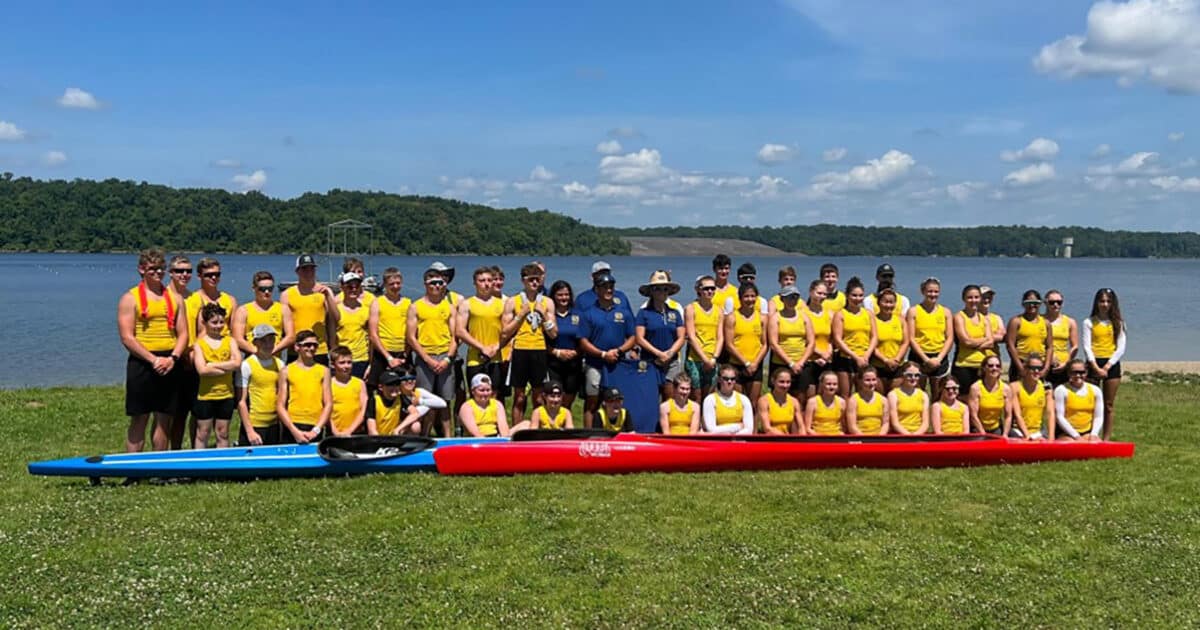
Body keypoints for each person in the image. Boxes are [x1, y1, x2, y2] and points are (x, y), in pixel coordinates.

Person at [118, 248, 189, 452]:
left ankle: (159, 468)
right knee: (139, 418)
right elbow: (127, 337)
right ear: (142, 270)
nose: (157, 273)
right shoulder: (130, 298)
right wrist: (152, 359)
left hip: (169, 361)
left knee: (164, 419)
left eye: (160, 269)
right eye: (152, 269)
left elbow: (183, 333)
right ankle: (133, 470)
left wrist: (173, 358)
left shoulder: (175, 299)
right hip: (143, 361)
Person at [502, 263, 556, 428]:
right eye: (530, 279)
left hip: (539, 350)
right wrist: (520, 316)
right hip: (520, 350)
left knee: (539, 396)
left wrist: (544, 316)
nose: (534, 283)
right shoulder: (513, 301)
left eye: (537, 279)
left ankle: (537, 428)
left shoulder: (547, 302)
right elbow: (505, 332)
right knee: (519, 396)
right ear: (523, 281)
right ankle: (516, 430)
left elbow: (554, 333)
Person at [578, 272, 636, 428]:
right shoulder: (588, 313)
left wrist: (619, 350)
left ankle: (620, 431)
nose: (609, 290)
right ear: (596, 289)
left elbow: (633, 337)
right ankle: (589, 435)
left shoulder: (623, 312)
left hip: (617, 363)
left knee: (617, 400)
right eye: (604, 287)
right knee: (592, 401)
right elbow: (583, 341)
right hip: (595, 364)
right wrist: (602, 354)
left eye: (611, 287)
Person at [407, 265, 459, 437]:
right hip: (424, 358)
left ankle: (447, 436)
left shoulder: (450, 307)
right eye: (433, 283)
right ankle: (425, 435)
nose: (437, 286)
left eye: (440, 283)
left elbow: (455, 337)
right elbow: (411, 338)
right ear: (425, 285)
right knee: (425, 401)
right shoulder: (416, 307)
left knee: (445, 401)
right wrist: (427, 359)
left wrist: (448, 359)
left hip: (445, 357)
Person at [192, 303, 241, 449]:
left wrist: (212, 365)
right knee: (203, 432)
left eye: (221, 322)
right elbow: (202, 370)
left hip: (226, 395)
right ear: (205, 323)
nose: (218, 326)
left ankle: (223, 466)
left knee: (223, 433)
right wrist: (227, 367)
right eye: (214, 322)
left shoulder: (230, 341)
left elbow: (237, 363)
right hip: (206, 396)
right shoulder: (199, 344)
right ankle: (199, 466)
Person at [635, 270, 687, 400]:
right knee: (649, 399)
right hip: (650, 361)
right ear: (651, 291)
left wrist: (669, 353)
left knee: (670, 398)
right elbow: (639, 338)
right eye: (658, 289)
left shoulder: (675, 313)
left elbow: (681, 337)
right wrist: (658, 354)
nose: (662, 292)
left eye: (665, 289)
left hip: (671, 362)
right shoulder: (644, 313)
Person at [1082, 288, 1125, 441]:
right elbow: (1087, 346)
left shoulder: (1118, 323)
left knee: (1108, 405)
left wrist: (1107, 366)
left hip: (1111, 364)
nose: (1105, 304)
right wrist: (1095, 367)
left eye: (1108, 301)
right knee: (1090, 403)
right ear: (1097, 303)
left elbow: (1121, 347)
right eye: (1102, 301)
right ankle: (1090, 435)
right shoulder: (1089, 322)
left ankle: (1106, 439)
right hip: (1094, 363)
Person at [458, 266, 505, 401]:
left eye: (489, 280)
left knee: (494, 395)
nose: (486, 284)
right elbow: (460, 331)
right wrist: (481, 347)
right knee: (476, 396)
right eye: (482, 280)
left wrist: (497, 346)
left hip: (496, 357)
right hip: (475, 357)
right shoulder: (467, 304)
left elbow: (508, 331)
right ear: (475, 283)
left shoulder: (502, 304)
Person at [281, 254, 338, 363]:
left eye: (311, 269)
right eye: (304, 269)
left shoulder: (325, 291)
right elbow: (284, 324)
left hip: (319, 350)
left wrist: (328, 297)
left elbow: (335, 318)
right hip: (296, 350)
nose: (308, 272)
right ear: (297, 271)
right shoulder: (287, 294)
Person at [276, 330, 331, 443]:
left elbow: (328, 403)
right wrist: (294, 430)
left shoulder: (324, 371)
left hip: (315, 424)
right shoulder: (286, 371)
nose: (311, 348)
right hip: (293, 424)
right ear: (297, 347)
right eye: (307, 345)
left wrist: (316, 430)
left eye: (315, 345)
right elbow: (280, 405)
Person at [236, 324, 285, 445]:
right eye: (263, 341)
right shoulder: (246, 365)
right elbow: (241, 402)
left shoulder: (280, 364)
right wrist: (249, 431)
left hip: (274, 425)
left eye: (271, 340)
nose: (268, 344)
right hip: (255, 425)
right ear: (255, 342)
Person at [166, 255, 196, 449]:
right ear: (171, 273)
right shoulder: (164, 296)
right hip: (173, 359)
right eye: (179, 271)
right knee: (169, 413)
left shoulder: (193, 297)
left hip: (194, 361)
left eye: (188, 271)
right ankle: (166, 453)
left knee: (188, 412)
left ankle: (186, 452)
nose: (184, 275)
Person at [906, 277, 954, 399]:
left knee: (938, 394)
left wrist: (939, 358)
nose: (933, 294)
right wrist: (926, 360)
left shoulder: (946, 312)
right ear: (923, 291)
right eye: (930, 291)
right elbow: (911, 338)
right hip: (919, 356)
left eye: (936, 291)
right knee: (917, 394)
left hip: (939, 357)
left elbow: (949, 338)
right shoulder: (913, 311)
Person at [767, 284, 815, 402]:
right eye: (789, 297)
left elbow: (811, 342)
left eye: (795, 297)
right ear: (782, 299)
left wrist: (801, 362)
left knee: (801, 399)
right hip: (781, 363)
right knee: (779, 398)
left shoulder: (804, 317)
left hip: (802, 363)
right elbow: (773, 344)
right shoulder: (776, 318)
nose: (792, 300)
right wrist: (791, 364)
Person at [832, 277, 877, 397]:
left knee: (864, 394)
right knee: (845, 395)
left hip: (865, 358)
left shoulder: (868, 314)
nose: (858, 299)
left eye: (860, 295)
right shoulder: (840, 314)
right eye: (854, 295)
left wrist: (866, 355)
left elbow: (874, 337)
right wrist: (855, 356)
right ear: (847, 295)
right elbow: (837, 339)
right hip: (845, 359)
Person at [367, 368, 447, 436]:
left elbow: (415, 413)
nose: (394, 387)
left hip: (395, 435)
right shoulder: (374, 401)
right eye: (390, 384)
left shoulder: (400, 398)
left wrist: (398, 429)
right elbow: (372, 430)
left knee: (416, 426)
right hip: (378, 438)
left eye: (397, 384)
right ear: (381, 387)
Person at [367, 267, 411, 389]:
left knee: (404, 389)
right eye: (391, 284)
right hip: (382, 353)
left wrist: (405, 355)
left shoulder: (408, 303)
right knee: (377, 389)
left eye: (398, 283)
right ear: (385, 285)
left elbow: (412, 333)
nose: (395, 286)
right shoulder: (377, 303)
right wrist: (388, 357)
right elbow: (373, 334)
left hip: (402, 354)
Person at [232, 271, 292, 357]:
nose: (267, 292)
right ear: (254, 288)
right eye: (262, 289)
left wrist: (274, 350)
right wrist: (258, 351)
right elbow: (238, 339)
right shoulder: (243, 311)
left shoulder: (283, 309)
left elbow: (290, 337)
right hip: (252, 359)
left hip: (275, 358)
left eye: (270, 288)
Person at [724, 282, 767, 401]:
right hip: (737, 365)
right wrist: (746, 363)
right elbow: (729, 344)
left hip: (756, 365)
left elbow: (765, 344)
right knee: (738, 401)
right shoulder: (732, 318)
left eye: (753, 296)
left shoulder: (762, 318)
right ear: (740, 298)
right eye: (746, 296)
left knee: (754, 403)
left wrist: (755, 363)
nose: (750, 299)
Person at [685, 275, 724, 401]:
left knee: (709, 397)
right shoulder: (691, 309)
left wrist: (714, 358)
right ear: (699, 290)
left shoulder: (719, 310)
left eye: (713, 288)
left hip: (712, 359)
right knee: (696, 396)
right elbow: (691, 336)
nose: (710, 291)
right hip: (695, 359)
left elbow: (720, 337)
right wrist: (704, 359)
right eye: (706, 288)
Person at [547, 280, 584, 410]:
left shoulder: (578, 314)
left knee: (569, 396)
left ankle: (565, 424)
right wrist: (557, 352)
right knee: (553, 395)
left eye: (566, 294)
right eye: (560, 295)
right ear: (554, 296)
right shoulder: (549, 315)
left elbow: (584, 338)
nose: (564, 298)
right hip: (553, 363)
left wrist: (576, 352)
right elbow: (542, 341)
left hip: (574, 362)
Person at [952, 284, 994, 393]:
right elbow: (965, 341)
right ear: (964, 299)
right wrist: (983, 339)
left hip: (982, 366)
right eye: (970, 297)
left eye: (976, 297)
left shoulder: (984, 319)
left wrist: (973, 343)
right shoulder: (959, 317)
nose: (973, 300)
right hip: (963, 365)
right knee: (964, 399)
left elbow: (991, 342)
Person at [1054, 359, 1105, 442]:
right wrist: (1076, 436)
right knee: (1071, 444)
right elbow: (1060, 417)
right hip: (1065, 432)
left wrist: (1094, 434)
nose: (1078, 375)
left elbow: (1098, 416)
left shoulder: (1095, 390)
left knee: (1095, 443)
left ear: (1086, 373)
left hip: (1087, 431)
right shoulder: (1061, 390)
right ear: (1068, 373)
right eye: (1074, 372)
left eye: (1082, 372)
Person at [871, 287, 910, 392]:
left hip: (897, 366)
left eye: (891, 302)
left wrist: (896, 359)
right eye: (885, 302)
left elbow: (905, 342)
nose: (888, 305)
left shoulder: (901, 320)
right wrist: (885, 360)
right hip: (878, 365)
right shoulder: (872, 320)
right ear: (879, 303)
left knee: (895, 399)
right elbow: (870, 344)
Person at [1006, 290, 1050, 382]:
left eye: (1035, 303)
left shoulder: (1046, 323)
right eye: (1028, 303)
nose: (1032, 305)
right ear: (1023, 304)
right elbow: (1010, 346)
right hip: (1022, 361)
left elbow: (1049, 347)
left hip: (1039, 363)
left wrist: (1046, 367)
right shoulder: (1016, 321)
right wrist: (1020, 367)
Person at [331, 272, 369, 378]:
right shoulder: (336, 310)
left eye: (357, 286)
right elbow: (332, 338)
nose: (353, 289)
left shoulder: (367, 310)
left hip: (362, 359)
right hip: (342, 360)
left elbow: (371, 339)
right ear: (342, 287)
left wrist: (371, 364)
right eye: (349, 286)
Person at [969, 355, 1017, 437]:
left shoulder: (1006, 389)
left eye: (997, 366)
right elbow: (973, 415)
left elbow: (1008, 416)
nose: (994, 368)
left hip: (996, 428)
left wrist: (1005, 434)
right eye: (990, 366)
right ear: (984, 368)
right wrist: (983, 434)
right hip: (977, 429)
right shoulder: (975, 388)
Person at [1011, 354, 1055, 440]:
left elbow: (1050, 414)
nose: (1036, 371)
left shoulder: (1046, 389)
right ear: (1026, 369)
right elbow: (1017, 415)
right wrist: (1028, 436)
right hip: (1018, 431)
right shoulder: (1015, 387)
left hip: (1038, 432)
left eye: (1039, 368)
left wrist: (1051, 437)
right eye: (1032, 368)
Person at [701, 365, 754, 434]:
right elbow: (711, 430)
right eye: (726, 378)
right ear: (719, 379)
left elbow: (749, 430)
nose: (729, 381)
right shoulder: (710, 400)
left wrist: (733, 437)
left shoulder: (744, 399)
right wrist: (737, 427)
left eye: (733, 379)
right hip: (718, 441)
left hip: (738, 441)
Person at [327, 345, 367, 436]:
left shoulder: (359, 383)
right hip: (334, 433)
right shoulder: (328, 384)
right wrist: (335, 431)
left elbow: (364, 409)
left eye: (349, 362)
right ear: (333, 365)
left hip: (356, 432)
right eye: (342, 363)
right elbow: (325, 410)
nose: (346, 366)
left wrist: (350, 430)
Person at [803, 280, 834, 398]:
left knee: (825, 397)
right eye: (819, 293)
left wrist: (827, 355)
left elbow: (832, 339)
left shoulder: (830, 314)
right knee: (809, 397)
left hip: (826, 361)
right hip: (810, 360)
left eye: (824, 294)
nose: (822, 296)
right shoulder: (803, 313)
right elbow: (804, 339)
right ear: (811, 292)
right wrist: (819, 354)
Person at [1043, 289, 1079, 387]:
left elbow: (1075, 346)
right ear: (1045, 303)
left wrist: (1066, 363)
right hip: (1044, 363)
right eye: (1052, 302)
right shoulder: (1040, 320)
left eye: (1059, 302)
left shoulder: (1070, 322)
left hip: (1063, 365)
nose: (1056, 305)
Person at [888, 362, 930, 435]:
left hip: (919, 434)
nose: (913, 378)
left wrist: (917, 434)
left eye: (917, 375)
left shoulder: (923, 395)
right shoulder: (893, 395)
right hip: (900, 435)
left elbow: (925, 423)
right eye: (909, 375)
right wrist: (908, 435)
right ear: (903, 375)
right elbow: (894, 423)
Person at [758, 368, 803, 435]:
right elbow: (767, 428)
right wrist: (785, 438)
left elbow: (801, 427)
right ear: (773, 381)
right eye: (781, 382)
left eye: (788, 382)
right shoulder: (764, 401)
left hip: (787, 439)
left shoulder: (794, 401)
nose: (785, 385)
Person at [846, 366, 888, 435]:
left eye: (874, 379)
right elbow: (852, 426)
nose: (871, 383)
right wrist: (865, 439)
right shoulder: (853, 400)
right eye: (867, 380)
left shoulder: (883, 400)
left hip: (879, 438)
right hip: (861, 438)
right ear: (860, 381)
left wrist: (879, 437)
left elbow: (886, 423)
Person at [805, 371, 845, 435]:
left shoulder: (842, 402)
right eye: (828, 384)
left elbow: (843, 426)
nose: (832, 387)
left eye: (835, 384)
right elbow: (807, 428)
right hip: (818, 437)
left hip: (836, 437)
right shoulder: (812, 402)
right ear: (821, 384)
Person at [978, 285, 1006, 359]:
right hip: (976, 357)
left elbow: (1003, 337)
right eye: (983, 297)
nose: (986, 300)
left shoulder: (997, 318)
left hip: (994, 358)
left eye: (989, 298)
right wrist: (993, 336)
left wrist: (983, 336)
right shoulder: (970, 317)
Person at [709, 254, 738, 319]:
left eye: (726, 268)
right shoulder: (708, 290)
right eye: (720, 269)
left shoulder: (736, 291)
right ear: (714, 269)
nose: (724, 271)